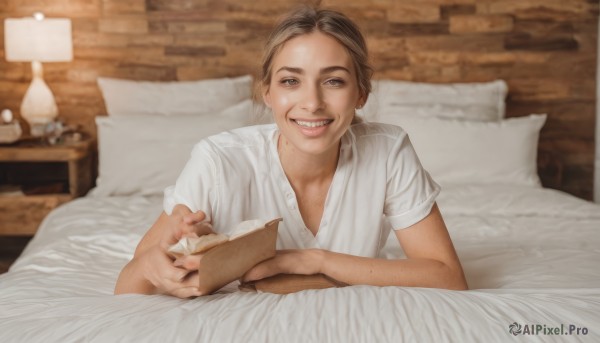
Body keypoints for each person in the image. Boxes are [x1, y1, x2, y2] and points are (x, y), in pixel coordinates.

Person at [115, 6, 468, 298]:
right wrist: (158, 264)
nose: (312, 103)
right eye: (290, 81)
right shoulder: (218, 161)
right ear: (268, 92)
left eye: (333, 81)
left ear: (361, 93)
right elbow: (130, 285)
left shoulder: (388, 151)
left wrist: (313, 261)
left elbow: (448, 277)